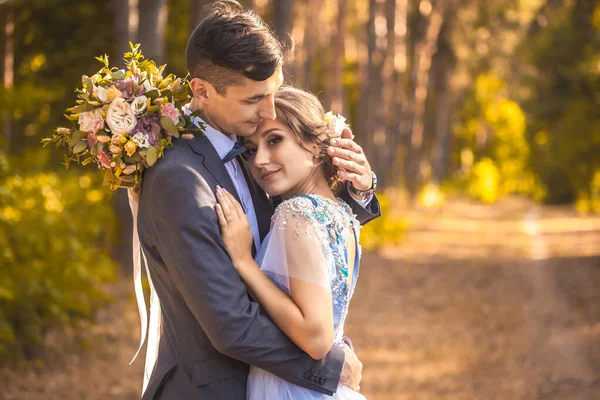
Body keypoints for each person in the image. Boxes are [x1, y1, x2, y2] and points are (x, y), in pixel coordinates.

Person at [136, 1, 381, 399]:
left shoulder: (252, 151)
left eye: (273, 93)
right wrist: (331, 367)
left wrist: (359, 186)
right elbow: (231, 324)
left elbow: (307, 231)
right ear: (202, 91)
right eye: (253, 100)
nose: (268, 111)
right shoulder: (180, 179)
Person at [215, 86, 369, 400]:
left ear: (315, 147)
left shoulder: (295, 214)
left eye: (274, 140)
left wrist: (244, 261)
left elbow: (316, 337)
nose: (259, 160)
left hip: (291, 388)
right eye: (250, 148)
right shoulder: (342, 214)